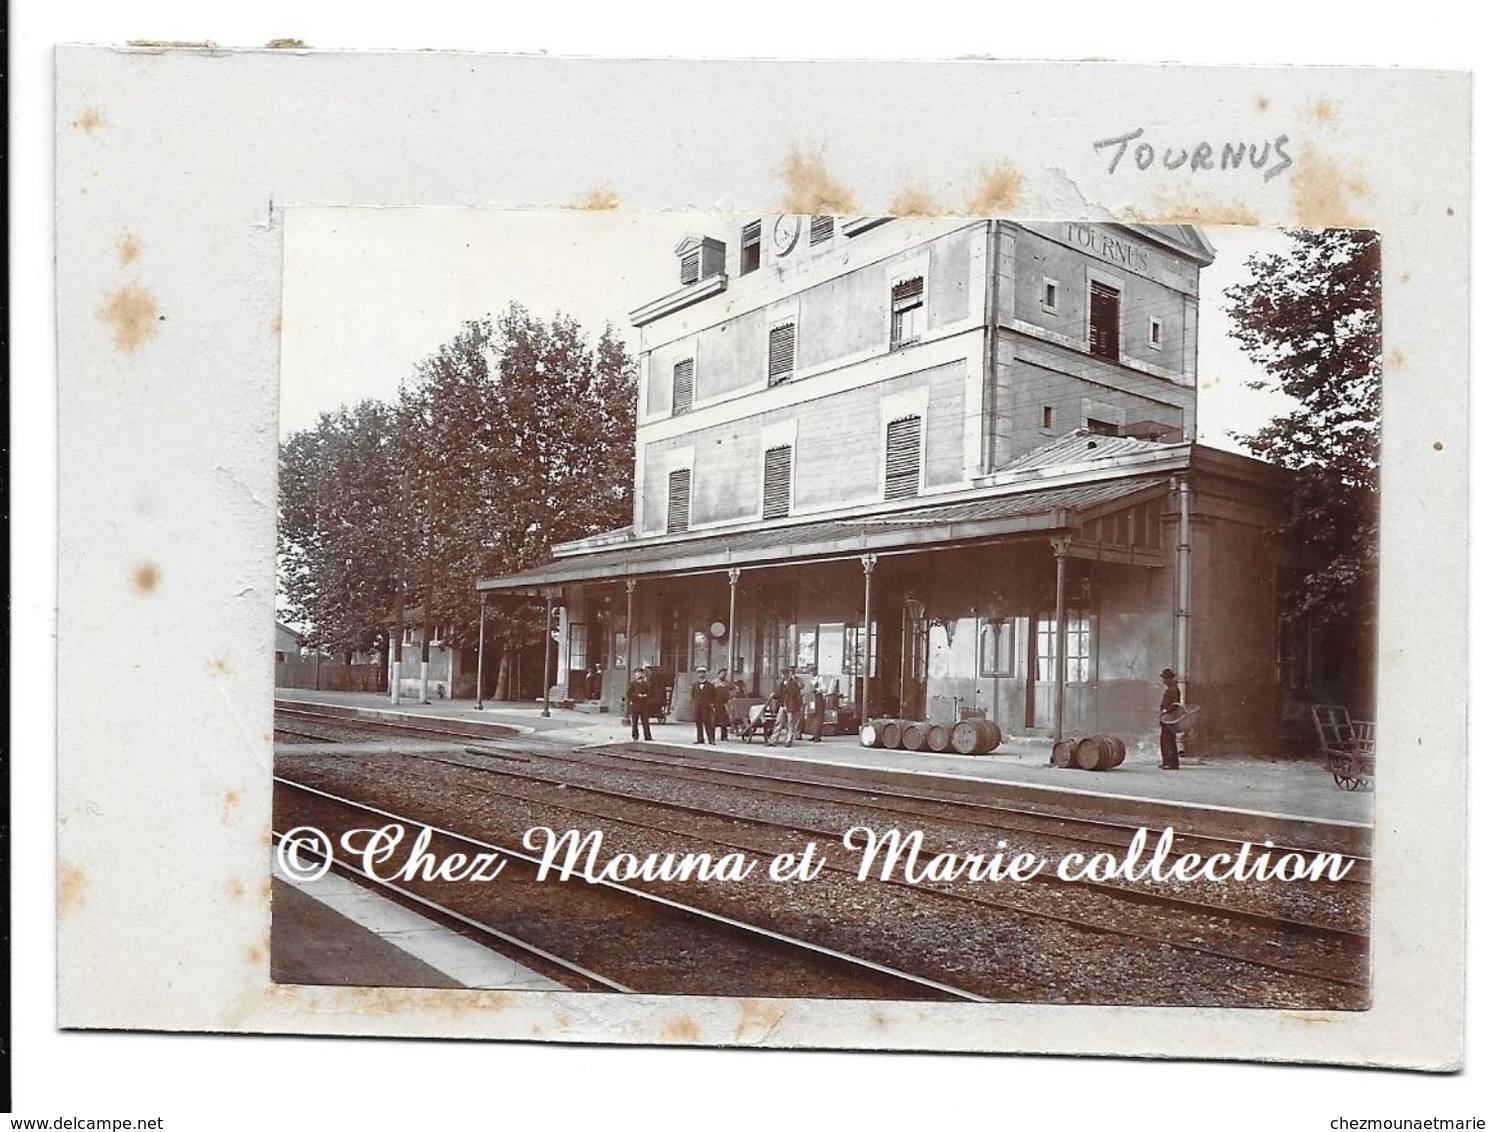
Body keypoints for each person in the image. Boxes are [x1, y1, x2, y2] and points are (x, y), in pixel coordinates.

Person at [1158, 668, 1182, 770]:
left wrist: (1165, 711)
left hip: (1169, 719)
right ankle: (1170, 762)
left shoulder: (1173, 690)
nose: (1164, 681)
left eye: (1165, 678)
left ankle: (1170, 763)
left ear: (1170, 678)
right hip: (1168, 718)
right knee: (1167, 740)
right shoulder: (1173, 689)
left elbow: (1175, 705)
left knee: (1167, 740)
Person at [771, 669, 802, 747]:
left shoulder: (793, 683)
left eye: (784, 674)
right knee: (778, 722)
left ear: (788, 674)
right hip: (783, 705)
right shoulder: (782, 683)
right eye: (782, 674)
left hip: (790, 706)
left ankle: (788, 741)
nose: (783, 676)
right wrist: (774, 695)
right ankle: (773, 741)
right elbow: (778, 694)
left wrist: (786, 685)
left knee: (790, 724)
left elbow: (794, 693)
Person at [690, 666, 717, 745]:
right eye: (699, 673)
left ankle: (711, 739)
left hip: (706, 707)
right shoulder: (695, 685)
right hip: (697, 707)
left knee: (708, 723)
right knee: (698, 723)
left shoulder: (710, 685)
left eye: (703, 673)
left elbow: (714, 695)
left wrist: (711, 704)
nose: (701, 675)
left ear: (705, 674)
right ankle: (700, 739)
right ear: (697, 675)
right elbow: (693, 695)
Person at [626, 668, 654, 741]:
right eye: (637, 674)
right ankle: (635, 736)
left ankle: (647, 736)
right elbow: (628, 694)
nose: (639, 675)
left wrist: (646, 696)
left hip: (644, 706)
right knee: (634, 722)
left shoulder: (646, 684)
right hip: (635, 705)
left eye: (640, 673)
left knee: (645, 722)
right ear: (635, 675)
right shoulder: (632, 684)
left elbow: (650, 693)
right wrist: (637, 696)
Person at [714, 669, 733, 742]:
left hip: (725, 704)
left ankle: (724, 736)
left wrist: (730, 697)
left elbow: (733, 690)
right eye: (722, 674)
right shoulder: (714, 682)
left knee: (724, 721)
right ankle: (712, 735)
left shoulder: (728, 683)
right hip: (716, 703)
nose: (723, 675)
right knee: (714, 720)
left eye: (725, 674)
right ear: (718, 674)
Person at [806, 678, 827, 742]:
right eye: (811, 671)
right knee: (814, 719)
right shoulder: (811, 680)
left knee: (819, 719)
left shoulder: (820, 679)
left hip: (819, 701)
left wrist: (817, 690)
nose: (812, 672)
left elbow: (824, 689)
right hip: (813, 700)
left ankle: (818, 736)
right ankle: (815, 735)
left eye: (813, 670)